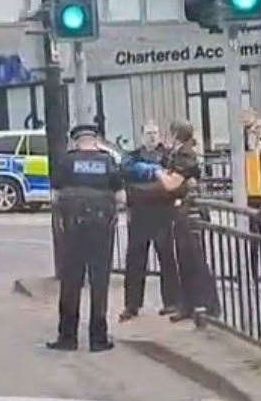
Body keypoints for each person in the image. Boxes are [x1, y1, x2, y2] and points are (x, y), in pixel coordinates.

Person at [48, 123, 125, 353]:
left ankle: (67, 338)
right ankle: (98, 339)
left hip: (73, 229)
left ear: (76, 141)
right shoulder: (108, 162)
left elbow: (54, 196)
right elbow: (121, 197)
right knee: (99, 283)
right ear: (96, 140)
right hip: (101, 228)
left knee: (71, 282)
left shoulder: (66, 161)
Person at [160, 120, 221, 324]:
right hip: (181, 211)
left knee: (195, 260)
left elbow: (171, 184)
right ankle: (188, 304)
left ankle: (210, 305)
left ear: (176, 134)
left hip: (190, 213)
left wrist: (155, 172)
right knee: (184, 260)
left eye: (169, 132)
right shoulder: (178, 152)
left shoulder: (185, 155)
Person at [119, 120, 180, 321]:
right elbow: (125, 172)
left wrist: (143, 186)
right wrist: (156, 178)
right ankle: (132, 304)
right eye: (148, 133)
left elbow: (173, 179)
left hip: (163, 214)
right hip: (139, 215)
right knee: (135, 260)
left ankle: (171, 301)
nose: (152, 136)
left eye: (155, 132)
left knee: (167, 258)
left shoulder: (169, 155)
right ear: (142, 135)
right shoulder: (133, 156)